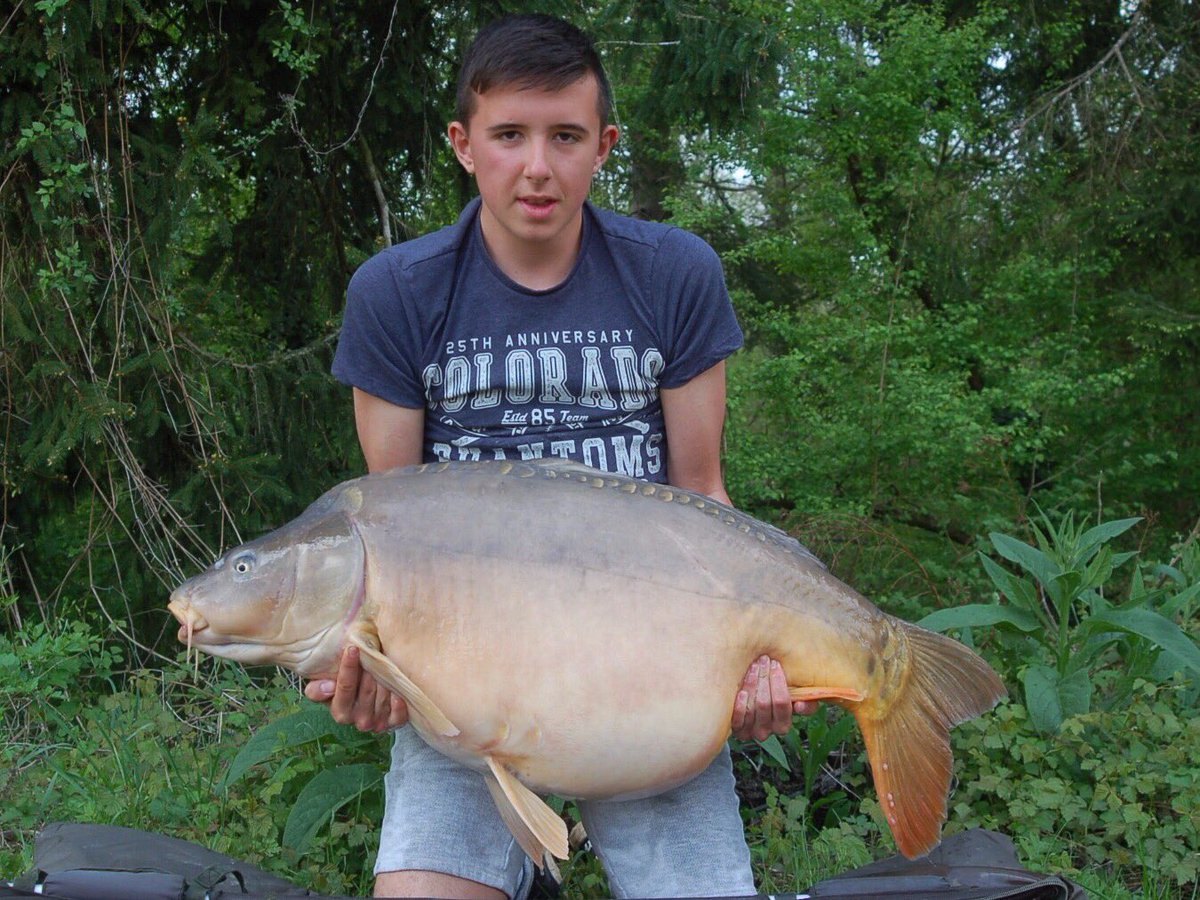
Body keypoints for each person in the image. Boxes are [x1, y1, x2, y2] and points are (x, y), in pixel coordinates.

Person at [306, 14, 815, 899]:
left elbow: (702, 496)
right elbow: (390, 535)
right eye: (509, 135)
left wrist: (755, 663)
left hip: (645, 676)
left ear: (604, 145)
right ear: (464, 144)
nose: (536, 166)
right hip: (464, 696)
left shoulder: (675, 273)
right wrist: (372, 676)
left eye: (565, 136)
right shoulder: (397, 293)